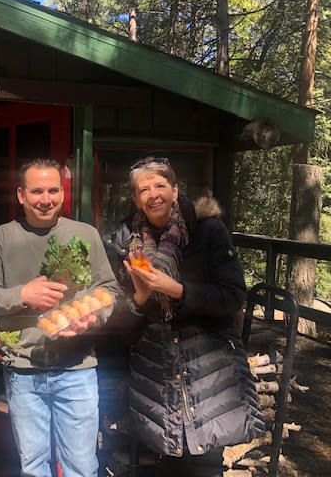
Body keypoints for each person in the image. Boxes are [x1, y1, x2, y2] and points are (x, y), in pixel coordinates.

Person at [108, 156, 265, 477]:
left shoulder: (208, 231)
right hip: (157, 368)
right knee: (168, 461)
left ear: (175, 190)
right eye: (144, 190)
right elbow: (120, 323)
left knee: (208, 462)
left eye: (160, 186)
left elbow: (233, 296)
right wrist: (140, 298)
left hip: (210, 367)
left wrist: (177, 290)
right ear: (135, 199)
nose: (153, 195)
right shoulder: (124, 242)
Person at [0, 158, 118, 477]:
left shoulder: (85, 234)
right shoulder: (2, 237)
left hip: (77, 367)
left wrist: (92, 319)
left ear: (63, 193)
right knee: (33, 467)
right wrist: (22, 294)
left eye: (54, 190)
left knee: (82, 467)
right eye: (37, 191)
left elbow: (108, 290)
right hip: (23, 369)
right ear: (21, 195)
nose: (46, 199)